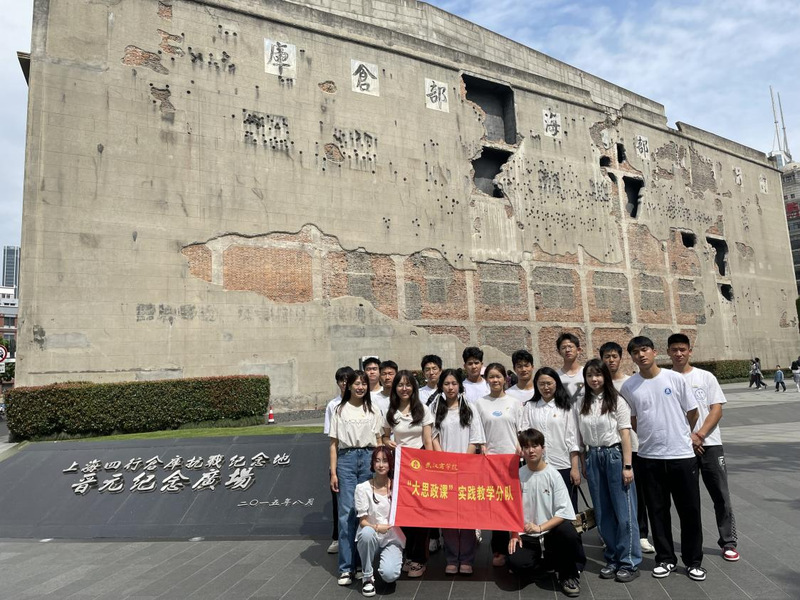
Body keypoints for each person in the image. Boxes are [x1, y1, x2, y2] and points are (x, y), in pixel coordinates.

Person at [621, 336, 705, 581]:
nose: (641, 355)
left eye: (644, 349)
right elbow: (633, 419)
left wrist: (681, 434)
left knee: (690, 511)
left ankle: (693, 561)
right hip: (649, 457)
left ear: (654, 351)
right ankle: (665, 559)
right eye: (635, 352)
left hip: (681, 455)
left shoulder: (674, 379)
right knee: (657, 511)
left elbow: (692, 412)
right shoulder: (629, 386)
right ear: (632, 357)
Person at [667, 333, 740, 562]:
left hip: (710, 445)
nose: (679, 354)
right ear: (668, 352)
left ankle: (728, 542)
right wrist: (688, 440)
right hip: (682, 448)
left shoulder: (705, 377)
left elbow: (716, 410)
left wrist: (699, 435)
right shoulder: (665, 379)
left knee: (721, 495)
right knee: (688, 500)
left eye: (682, 349)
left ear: (690, 351)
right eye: (674, 350)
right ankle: (693, 546)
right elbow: (668, 415)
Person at [577, 359, 641, 582]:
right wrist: (583, 462)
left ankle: (629, 561)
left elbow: (625, 434)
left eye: (598, 374)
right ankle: (612, 557)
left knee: (624, 512)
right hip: (593, 457)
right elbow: (579, 436)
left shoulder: (617, 400)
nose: (594, 379)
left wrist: (627, 465)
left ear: (605, 376)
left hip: (614, 456)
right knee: (602, 511)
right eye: (590, 375)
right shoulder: (582, 403)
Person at [508, 428, 583, 598]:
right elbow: (510, 509)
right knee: (515, 562)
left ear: (543, 448)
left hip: (550, 532)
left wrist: (541, 528)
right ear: (522, 450)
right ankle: (545, 566)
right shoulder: (517, 475)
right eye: (526, 447)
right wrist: (513, 534)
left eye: (535, 446)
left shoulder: (553, 475)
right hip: (527, 534)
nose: (531, 450)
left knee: (568, 531)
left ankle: (568, 576)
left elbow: (564, 512)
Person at [329, 370, 384, 586]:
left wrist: (380, 466)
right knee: (346, 514)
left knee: (366, 512)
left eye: (364, 384)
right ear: (349, 386)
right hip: (346, 460)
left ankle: (363, 565)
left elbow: (379, 440)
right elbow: (333, 444)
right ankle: (346, 567)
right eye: (356, 383)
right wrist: (334, 472)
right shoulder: (339, 409)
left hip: (369, 458)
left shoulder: (373, 409)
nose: (360, 387)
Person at [600, 341, 654, 555]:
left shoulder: (630, 383)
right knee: (613, 493)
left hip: (634, 445)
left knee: (638, 493)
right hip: (611, 448)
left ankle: (641, 535)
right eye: (607, 356)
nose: (611, 360)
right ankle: (613, 534)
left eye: (614, 356)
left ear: (621, 358)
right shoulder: (599, 384)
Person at [431, 369, 485, 574]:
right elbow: (433, 436)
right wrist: (443, 461)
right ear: (441, 387)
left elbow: (475, 438)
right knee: (448, 516)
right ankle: (452, 558)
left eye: (454, 383)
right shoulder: (436, 407)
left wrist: (464, 463)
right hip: (444, 470)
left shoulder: (469, 407)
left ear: (460, 386)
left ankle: (467, 559)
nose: (450, 387)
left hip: (466, 468)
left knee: (467, 515)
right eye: (446, 384)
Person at [381, 370, 433, 578]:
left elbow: (428, 441)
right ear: (395, 388)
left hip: (420, 467)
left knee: (420, 514)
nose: (404, 389)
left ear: (414, 387)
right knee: (403, 513)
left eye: (408, 384)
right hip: (400, 467)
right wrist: (388, 442)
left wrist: (430, 468)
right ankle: (409, 555)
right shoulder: (391, 411)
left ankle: (419, 559)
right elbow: (385, 437)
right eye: (400, 385)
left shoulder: (423, 409)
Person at [473, 362, 522, 567]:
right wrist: (482, 447)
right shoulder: (480, 403)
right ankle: (499, 549)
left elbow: (520, 430)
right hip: (491, 462)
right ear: (486, 380)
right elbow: (477, 431)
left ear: (505, 379)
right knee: (497, 506)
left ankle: (517, 542)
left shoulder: (515, 403)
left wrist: (519, 449)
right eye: (491, 377)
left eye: (498, 376)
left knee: (514, 502)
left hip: (512, 461)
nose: (495, 380)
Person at [520, 366, 581, 512]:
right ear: (536, 385)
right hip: (537, 466)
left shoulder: (565, 406)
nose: (546, 387)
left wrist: (575, 468)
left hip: (562, 464)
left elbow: (573, 439)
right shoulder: (530, 407)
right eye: (541, 384)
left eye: (549, 383)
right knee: (542, 507)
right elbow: (524, 435)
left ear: (556, 384)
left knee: (566, 507)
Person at [355, 446, 405, 597]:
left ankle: (388, 561)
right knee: (367, 533)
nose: (381, 465)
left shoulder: (399, 487)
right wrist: (376, 527)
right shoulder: (362, 488)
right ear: (372, 463)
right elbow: (363, 521)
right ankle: (367, 577)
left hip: (392, 538)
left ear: (391, 464)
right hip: (372, 536)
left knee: (390, 575)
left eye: (385, 461)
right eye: (377, 461)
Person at [324, 365, 355, 554]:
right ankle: (337, 538)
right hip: (342, 457)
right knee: (339, 503)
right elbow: (332, 440)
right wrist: (333, 468)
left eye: (347, 380)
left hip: (360, 458)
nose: (344, 383)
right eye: (341, 380)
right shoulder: (333, 405)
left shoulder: (360, 402)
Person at [556, 333, 584, 404]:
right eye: (563, 348)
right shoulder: (556, 376)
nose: (567, 350)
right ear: (559, 352)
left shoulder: (586, 373)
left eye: (570, 347)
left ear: (578, 350)